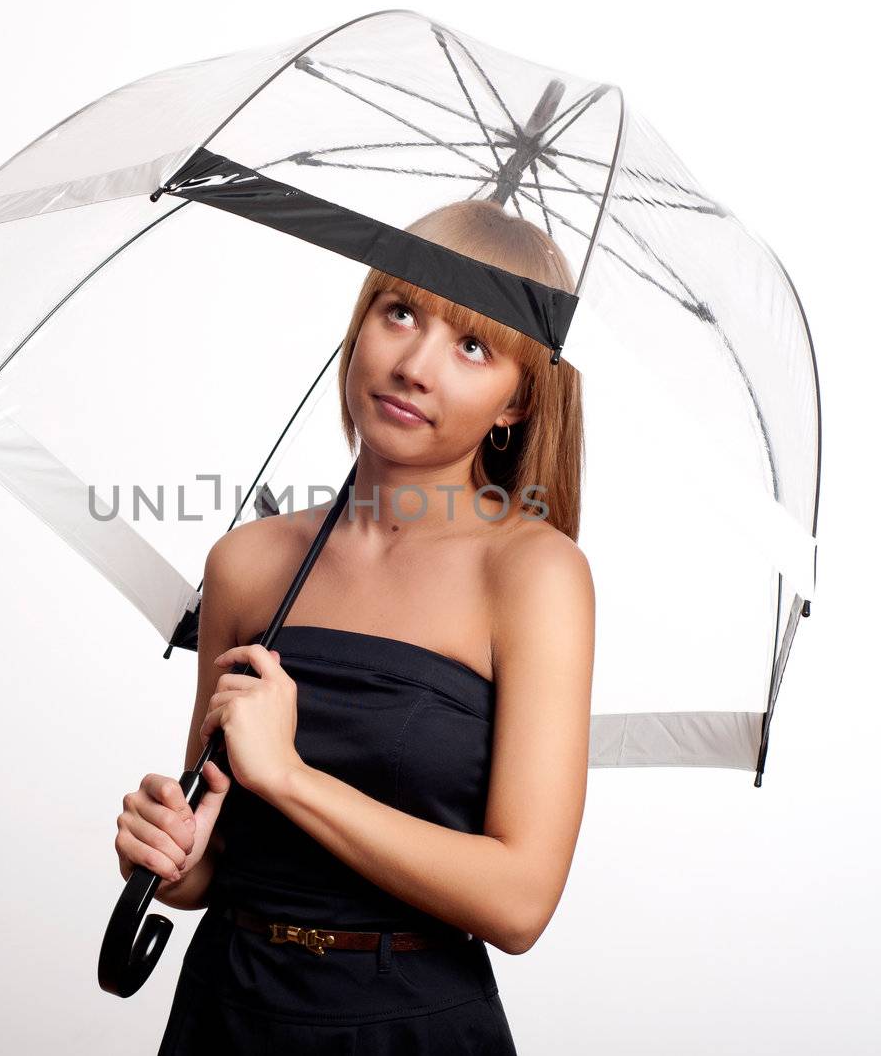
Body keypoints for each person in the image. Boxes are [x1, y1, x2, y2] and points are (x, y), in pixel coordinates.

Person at [116, 199, 596, 1053]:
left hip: (409, 1030)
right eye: (400, 311)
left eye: (472, 345)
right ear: (361, 322)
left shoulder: (533, 574)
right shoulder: (249, 563)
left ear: (517, 402)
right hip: (226, 1013)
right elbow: (213, 857)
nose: (414, 364)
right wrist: (173, 850)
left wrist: (293, 777)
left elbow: (521, 902)